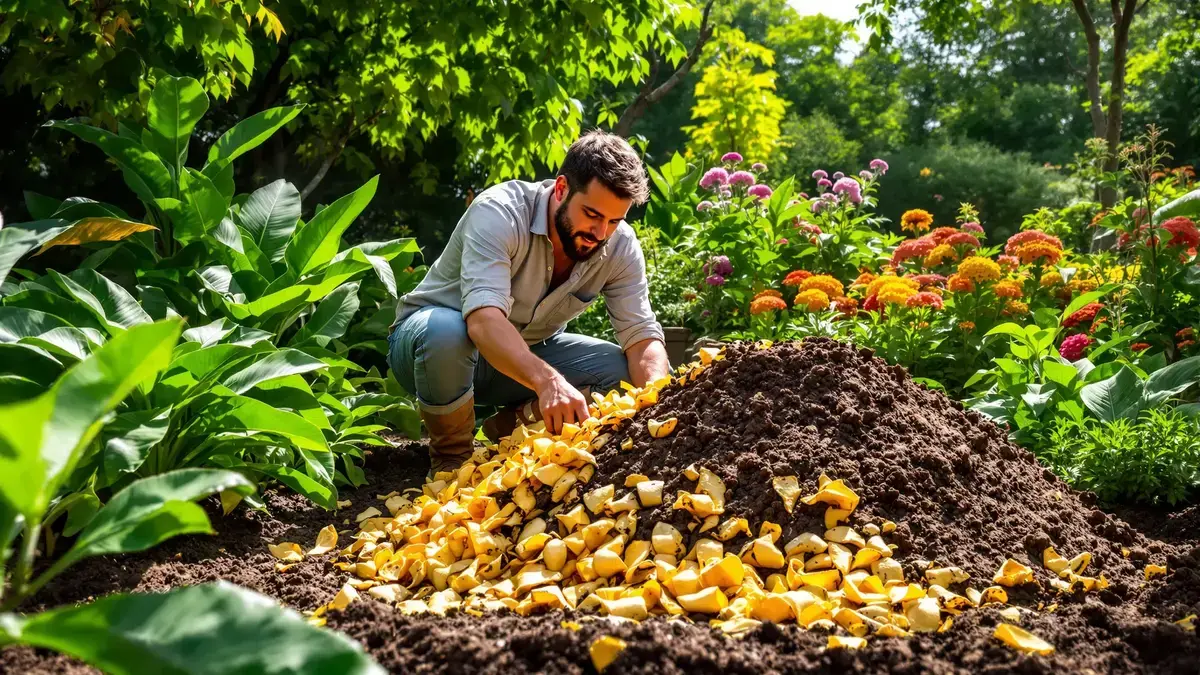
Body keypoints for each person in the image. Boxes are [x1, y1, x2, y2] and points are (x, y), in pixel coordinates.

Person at [388, 130, 672, 474]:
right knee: (448, 332)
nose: (601, 233)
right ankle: (452, 461)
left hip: (519, 359)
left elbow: (642, 337)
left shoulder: (620, 247)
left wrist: (659, 405)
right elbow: (483, 321)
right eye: (593, 215)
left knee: (622, 374)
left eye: (615, 220)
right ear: (562, 188)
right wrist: (549, 382)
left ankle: (509, 431)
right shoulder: (499, 212)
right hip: (430, 352)